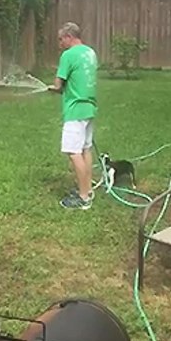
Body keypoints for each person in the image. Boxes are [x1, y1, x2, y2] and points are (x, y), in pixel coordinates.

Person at [49, 22, 100, 210]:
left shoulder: (68, 55)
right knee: (86, 149)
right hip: (89, 107)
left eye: (61, 39)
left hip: (75, 109)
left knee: (73, 152)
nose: (60, 43)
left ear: (69, 37)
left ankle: (83, 198)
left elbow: (58, 85)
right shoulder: (90, 53)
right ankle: (87, 189)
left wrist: (53, 89)